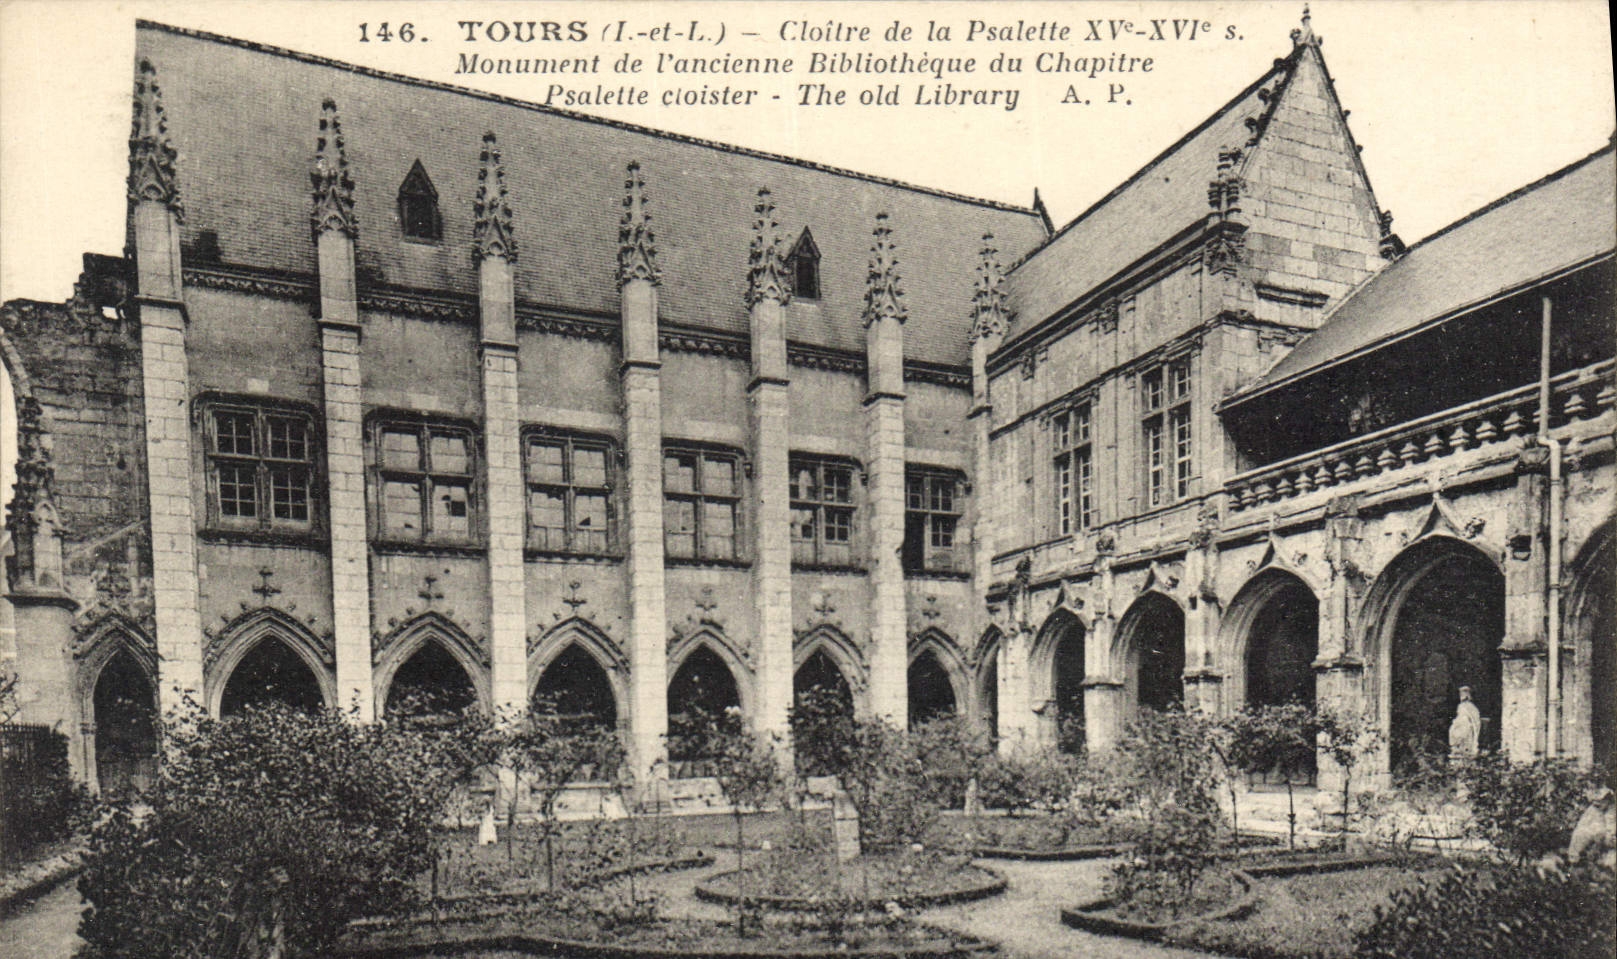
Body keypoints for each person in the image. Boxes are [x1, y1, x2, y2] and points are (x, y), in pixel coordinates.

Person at [1448, 685, 1482, 760]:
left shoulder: (1471, 707)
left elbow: (1475, 720)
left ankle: (1466, 750)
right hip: (1460, 726)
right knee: (1454, 732)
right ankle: (1457, 749)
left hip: (1467, 727)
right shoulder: (1461, 706)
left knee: (1466, 735)